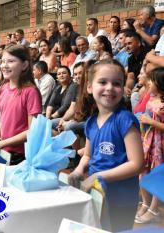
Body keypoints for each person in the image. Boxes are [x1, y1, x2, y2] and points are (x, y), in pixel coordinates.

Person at [68, 59, 144, 232]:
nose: (110, 87)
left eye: (116, 83)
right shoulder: (91, 122)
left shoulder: (125, 119)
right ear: (89, 87)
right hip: (97, 194)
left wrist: (98, 176)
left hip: (121, 199)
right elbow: (87, 155)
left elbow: (137, 164)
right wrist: (79, 170)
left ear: (123, 88)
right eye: (103, 82)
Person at [0, 45, 42, 165]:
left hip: (21, 155)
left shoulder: (31, 92)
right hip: (4, 151)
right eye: (3, 61)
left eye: (11, 61)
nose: (4, 65)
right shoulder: (3, 88)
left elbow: (32, 131)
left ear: (24, 65)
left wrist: (0, 143)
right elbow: (2, 119)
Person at [136, 68, 164, 224]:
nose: (148, 83)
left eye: (151, 81)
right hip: (146, 142)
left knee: (156, 175)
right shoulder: (150, 98)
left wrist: (152, 122)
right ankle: (145, 203)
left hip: (159, 146)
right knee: (142, 173)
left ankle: (154, 208)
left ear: (160, 84)